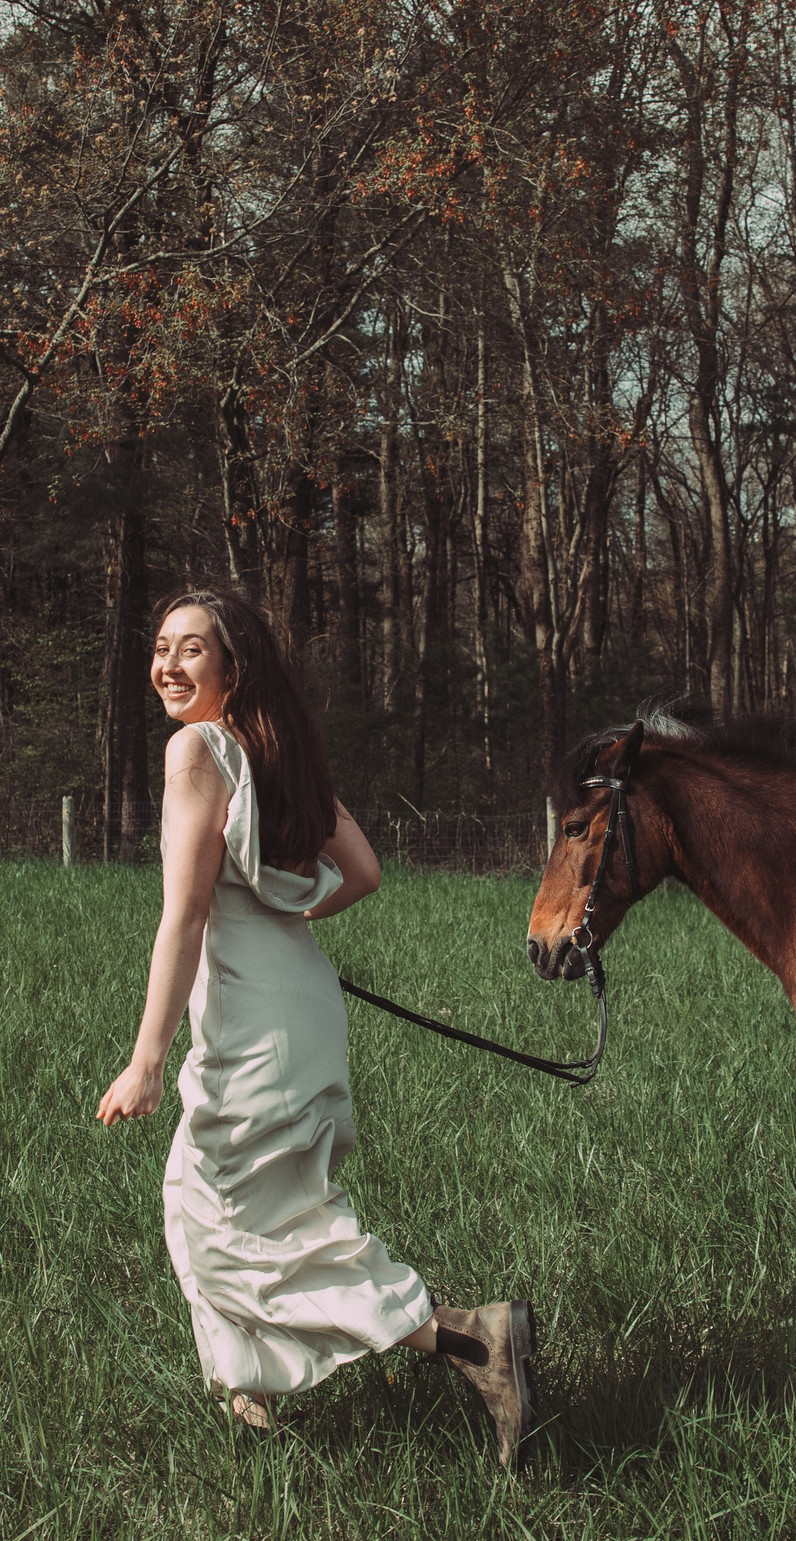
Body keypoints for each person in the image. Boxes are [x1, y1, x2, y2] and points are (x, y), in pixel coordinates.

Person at [95, 588, 537, 1468]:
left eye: (192, 650)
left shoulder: (198, 750)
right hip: (300, 999)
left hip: (253, 1021)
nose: (168, 666)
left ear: (232, 667)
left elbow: (182, 916)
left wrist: (147, 1059)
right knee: (200, 1205)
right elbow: (365, 871)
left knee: (243, 1226)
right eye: (160, 648)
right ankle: (248, 1404)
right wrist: (285, 916)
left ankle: (475, 1341)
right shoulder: (278, 754)